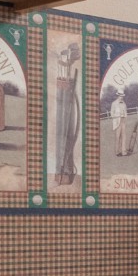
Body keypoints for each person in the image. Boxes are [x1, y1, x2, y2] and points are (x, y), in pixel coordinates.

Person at [52, 42, 80, 185]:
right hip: (63, 92)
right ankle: (60, 172)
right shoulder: (63, 69)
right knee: (61, 132)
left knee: (69, 134)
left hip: (69, 93)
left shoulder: (73, 69)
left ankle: (66, 172)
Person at [110, 91, 131, 156]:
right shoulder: (114, 103)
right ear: (118, 96)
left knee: (124, 137)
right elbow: (112, 114)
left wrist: (124, 116)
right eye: (120, 96)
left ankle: (124, 152)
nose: (121, 97)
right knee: (117, 137)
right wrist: (118, 115)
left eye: (122, 96)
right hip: (117, 122)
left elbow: (126, 112)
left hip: (123, 121)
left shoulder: (124, 104)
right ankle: (117, 152)